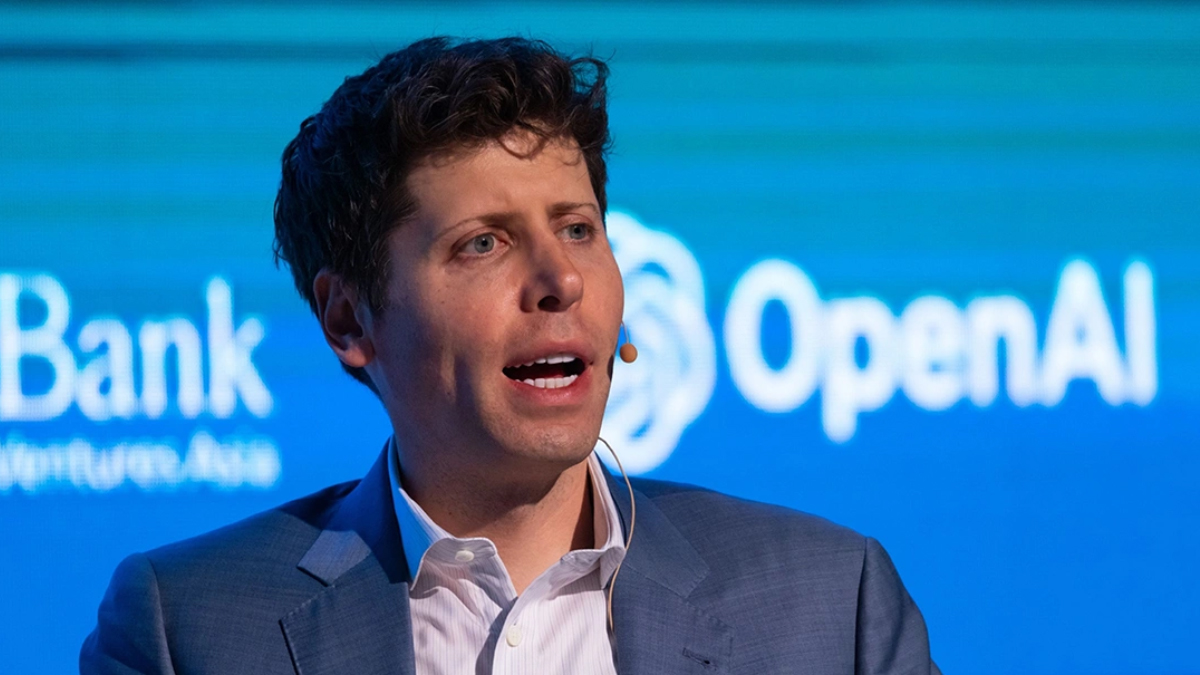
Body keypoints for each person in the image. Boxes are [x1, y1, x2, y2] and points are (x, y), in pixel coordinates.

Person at [80, 36, 939, 675]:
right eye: (483, 243)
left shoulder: (832, 604)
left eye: (578, 228)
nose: (560, 279)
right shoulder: (187, 627)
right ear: (349, 320)